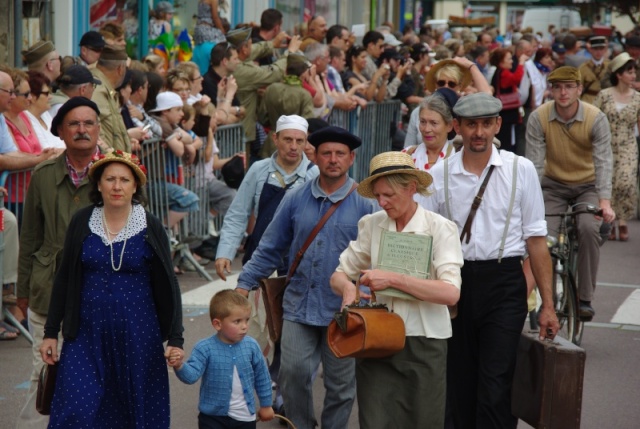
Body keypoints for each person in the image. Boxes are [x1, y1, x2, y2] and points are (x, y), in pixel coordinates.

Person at [419, 92, 560, 429]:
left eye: (485, 124)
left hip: (504, 283)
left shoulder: (520, 170)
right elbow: (423, 239)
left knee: (497, 384)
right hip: (456, 283)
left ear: (498, 124)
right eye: (471, 125)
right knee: (459, 383)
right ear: (457, 127)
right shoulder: (439, 175)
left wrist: (548, 306)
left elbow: (537, 242)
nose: (478, 132)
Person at [235, 126, 377, 428]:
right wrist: (244, 283)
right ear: (316, 156)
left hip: (344, 312)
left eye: (340, 154)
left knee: (340, 386)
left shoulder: (366, 204)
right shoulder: (296, 197)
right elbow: (270, 246)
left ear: (351, 159)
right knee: (292, 374)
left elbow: (378, 257)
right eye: (326, 153)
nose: (333, 159)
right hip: (298, 304)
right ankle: (301, 424)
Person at [40, 149, 183, 427]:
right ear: (98, 184)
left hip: (138, 333)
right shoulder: (82, 221)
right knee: (76, 410)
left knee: (133, 412)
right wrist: (50, 333)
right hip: (85, 332)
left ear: (136, 186)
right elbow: (64, 278)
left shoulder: (150, 225)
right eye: (110, 179)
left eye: (125, 180)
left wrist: (176, 338)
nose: (117, 186)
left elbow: (168, 282)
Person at [330, 151, 463, 428]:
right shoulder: (372, 224)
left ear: (411, 188)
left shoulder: (440, 228)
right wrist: (348, 291)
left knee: (423, 421)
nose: (382, 202)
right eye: (378, 196)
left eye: (388, 195)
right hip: (377, 339)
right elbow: (340, 273)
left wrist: (393, 280)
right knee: (375, 422)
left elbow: (451, 293)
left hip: (425, 342)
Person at [15, 97, 102, 429]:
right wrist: (23, 291)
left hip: (97, 291)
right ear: (61, 133)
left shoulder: (115, 172)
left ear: (98, 129)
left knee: (94, 376)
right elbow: (30, 238)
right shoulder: (43, 175)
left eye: (88, 123)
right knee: (46, 375)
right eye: (74, 124)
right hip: (47, 289)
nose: (82, 130)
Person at [526, 66, 615, 318]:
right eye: (557, 87)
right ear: (551, 90)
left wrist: (605, 202)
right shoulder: (539, 117)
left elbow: (604, 162)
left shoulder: (595, 118)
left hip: (588, 185)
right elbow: (534, 165)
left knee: (588, 229)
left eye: (568, 87)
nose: (563, 92)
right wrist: (529, 204)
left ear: (579, 89)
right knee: (541, 237)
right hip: (552, 185)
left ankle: (584, 297)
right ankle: (545, 299)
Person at [214, 115, 318, 280]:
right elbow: (238, 214)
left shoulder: (315, 175)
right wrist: (225, 252)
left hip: (298, 261)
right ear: (275, 139)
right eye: (288, 139)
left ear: (306, 142)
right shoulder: (258, 169)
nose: (293, 146)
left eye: (299, 141)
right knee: (257, 305)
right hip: (260, 256)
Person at [174, 290, 274, 428]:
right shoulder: (204, 348)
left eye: (247, 319)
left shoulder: (252, 346)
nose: (244, 326)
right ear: (217, 324)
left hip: (244, 417)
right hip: (211, 418)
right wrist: (179, 365)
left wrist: (266, 404)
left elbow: (262, 376)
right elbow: (191, 376)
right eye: (237, 321)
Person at [593, 53, 640, 241]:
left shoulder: (638, 98)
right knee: (608, 182)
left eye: (635, 71)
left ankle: (623, 220)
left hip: (628, 144)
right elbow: (594, 119)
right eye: (629, 71)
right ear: (619, 74)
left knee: (626, 183)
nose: (634, 75)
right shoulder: (604, 95)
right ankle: (609, 221)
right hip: (606, 145)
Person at [91, 45, 132, 152]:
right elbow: (97, 132)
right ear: (120, 69)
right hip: (107, 164)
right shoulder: (97, 89)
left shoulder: (106, 89)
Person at [403, 93, 457, 169]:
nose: (426, 129)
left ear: (449, 126)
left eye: (434, 123)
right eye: (423, 122)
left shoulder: (457, 161)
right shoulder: (407, 156)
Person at [490, 48, 528, 152]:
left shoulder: (499, 72)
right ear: (501, 62)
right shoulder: (504, 73)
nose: (512, 61)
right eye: (509, 59)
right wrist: (521, 63)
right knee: (509, 143)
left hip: (506, 114)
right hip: (508, 115)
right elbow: (516, 78)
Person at [25, 71, 65, 151]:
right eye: (47, 93)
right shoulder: (25, 119)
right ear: (32, 97)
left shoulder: (45, 114)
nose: (50, 97)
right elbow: (45, 152)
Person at [579, 35, 610, 104]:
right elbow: (578, 87)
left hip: (606, 100)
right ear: (590, 49)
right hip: (588, 100)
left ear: (605, 49)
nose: (598, 52)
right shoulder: (583, 67)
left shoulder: (610, 66)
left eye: (601, 49)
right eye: (595, 49)